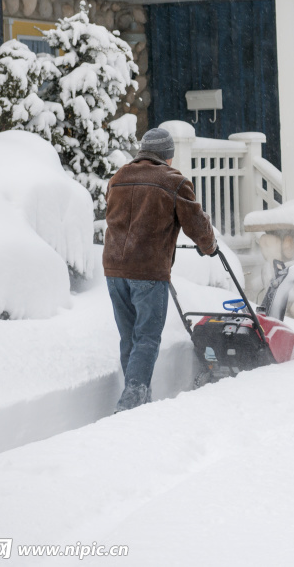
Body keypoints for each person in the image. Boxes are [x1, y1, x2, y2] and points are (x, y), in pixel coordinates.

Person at [103, 127, 217, 412]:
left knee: (130, 337)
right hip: (147, 271)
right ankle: (130, 403)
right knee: (148, 338)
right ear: (167, 156)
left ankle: (140, 401)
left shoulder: (118, 178)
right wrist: (209, 245)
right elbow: (197, 224)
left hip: (114, 270)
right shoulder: (173, 181)